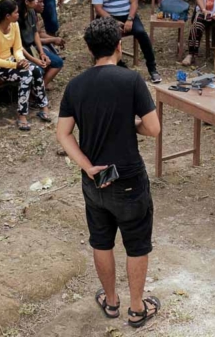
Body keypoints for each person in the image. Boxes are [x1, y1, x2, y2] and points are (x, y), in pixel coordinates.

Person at [56, 17, 161, 329]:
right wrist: (130, 124)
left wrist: (87, 167)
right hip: (128, 178)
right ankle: (137, 308)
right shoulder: (131, 81)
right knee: (137, 243)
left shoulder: (75, 85)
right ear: (119, 45)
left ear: (89, 50)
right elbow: (153, 129)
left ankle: (112, 301)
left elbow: (63, 134)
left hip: (95, 180)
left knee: (101, 241)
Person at [0, 0, 51, 131]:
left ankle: (44, 106)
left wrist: (21, 60)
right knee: (26, 76)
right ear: (7, 16)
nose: (18, 14)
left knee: (36, 70)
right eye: (15, 12)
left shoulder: (14, 25)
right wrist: (16, 66)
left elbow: (17, 49)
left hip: (11, 61)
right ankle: (22, 115)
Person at [93, 0, 161, 83]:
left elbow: (134, 2)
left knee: (141, 33)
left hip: (127, 14)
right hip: (108, 16)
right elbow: (99, 8)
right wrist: (113, 21)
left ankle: (152, 68)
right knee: (107, 36)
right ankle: (116, 66)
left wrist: (129, 19)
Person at [16, 0, 63, 88]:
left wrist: (42, 53)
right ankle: (37, 90)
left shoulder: (32, 12)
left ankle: (40, 88)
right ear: (27, 2)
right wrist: (35, 59)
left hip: (33, 47)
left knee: (58, 62)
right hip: (22, 51)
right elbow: (18, 46)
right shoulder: (16, 19)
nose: (37, 1)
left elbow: (36, 33)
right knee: (39, 69)